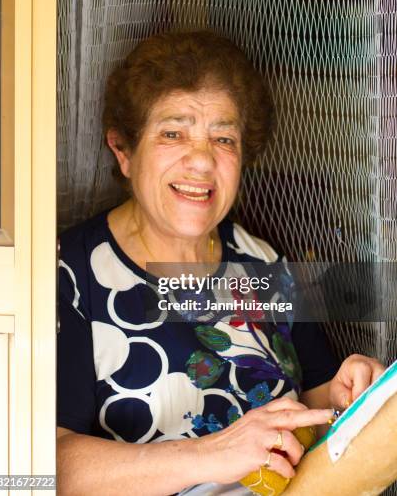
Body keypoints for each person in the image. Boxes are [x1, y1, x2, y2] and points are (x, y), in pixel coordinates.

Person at [56, 31, 385, 496]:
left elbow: (314, 395)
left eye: (223, 138)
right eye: (173, 133)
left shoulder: (262, 261)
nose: (202, 162)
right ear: (123, 152)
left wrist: (346, 393)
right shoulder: (69, 275)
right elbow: (44, 466)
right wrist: (213, 453)